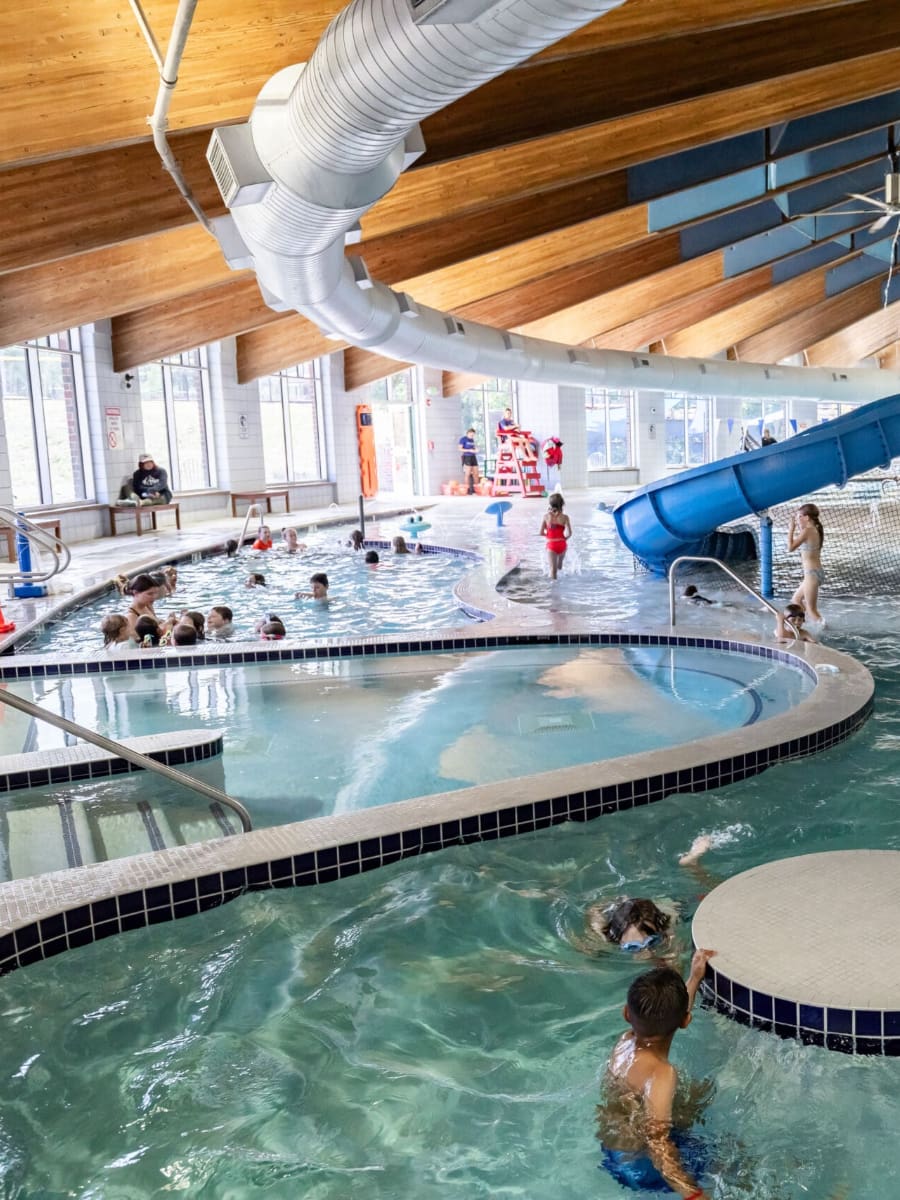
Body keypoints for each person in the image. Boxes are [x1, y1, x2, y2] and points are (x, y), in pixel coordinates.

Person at [596, 952, 716, 1198]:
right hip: (643, 1169)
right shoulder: (661, 1074)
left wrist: (694, 979)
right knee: (735, 1159)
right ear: (686, 1021)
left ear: (626, 1014)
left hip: (613, 1153)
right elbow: (657, 1140)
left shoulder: (624, 1043)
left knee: (691, 1094)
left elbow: (675, 1015)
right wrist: (692, 1193)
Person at [788, 503, 824, 623]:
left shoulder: (808, 531)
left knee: (811, 610)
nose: (798, 520)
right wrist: (798, 527)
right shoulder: (815, 529)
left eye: (799, 517)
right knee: (796, 600)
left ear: (807, 517)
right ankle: (808, 624)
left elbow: (790, 548)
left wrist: (791, 529)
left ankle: (827, 632)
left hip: (811, 575)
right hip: (815, 573)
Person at [539, 492, 572, 580]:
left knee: (553, 570)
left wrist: (549, 535)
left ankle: (554, 590)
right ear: (562, 504)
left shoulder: (546, 516)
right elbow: (569, 533)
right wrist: (564, 539)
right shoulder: (565, 517)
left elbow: (541, 532)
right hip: (563, 545)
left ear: (550, 504)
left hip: (552, 545)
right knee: (559, 567)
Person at [458, 427, 480, 494]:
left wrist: (476, 450)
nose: (472, 436)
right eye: (471, 435)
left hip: (473, 456)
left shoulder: (472, 440)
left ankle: (477, 489)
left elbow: (473, 447)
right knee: (467, 474)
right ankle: (467, 489)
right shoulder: (463, 439)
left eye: (473, 435)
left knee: (476, 473)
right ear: (468, 433)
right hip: (467, 457)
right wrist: (469, 450)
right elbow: (460, 449)